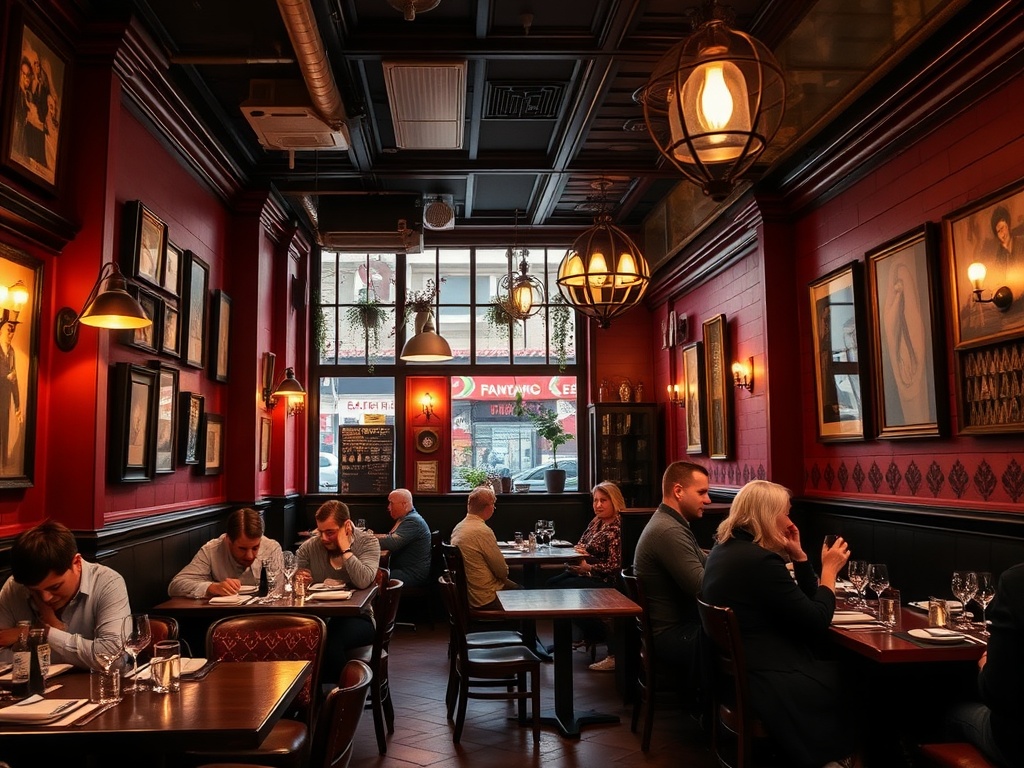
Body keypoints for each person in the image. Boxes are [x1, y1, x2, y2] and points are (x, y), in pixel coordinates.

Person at [701, 479, 853, 768]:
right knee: (862, 677)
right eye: (785, 512)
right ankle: (846, 757)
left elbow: (806, 605)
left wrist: (800, 557)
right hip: (768, 681)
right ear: (768, 516)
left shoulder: (726, 549)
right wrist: (830, 572)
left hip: (737, 676)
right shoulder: (760, 562)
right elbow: (816, 621)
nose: (790, 521)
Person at [0, 520, 130, 670]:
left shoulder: (107, 583)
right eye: (35, 591)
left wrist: (39, 633)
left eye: (55, 587)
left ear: (77, 563)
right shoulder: (15, 587)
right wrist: (84, 656)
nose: (45, 598)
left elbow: (114, 658)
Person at [633, 460, 710, 693]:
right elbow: (702, 587)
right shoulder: (668, 530)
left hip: (673, 630)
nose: (708, 500)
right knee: (746, 637)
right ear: (678, 491)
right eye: (701, 492)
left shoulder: (671, 523)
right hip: (671, 636)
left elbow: (706, 562)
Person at [944, 564, 1024, 767]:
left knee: (938, 708)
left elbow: (997, 694)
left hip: (1016, 744)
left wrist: (984, 667)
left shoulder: (1016, 580)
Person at [296, 499, 380, 681]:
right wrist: (299, 580)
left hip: (358, 617)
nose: (324, 538)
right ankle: (312, 694)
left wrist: (346, 549)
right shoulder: (308, 549)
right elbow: (295, 585)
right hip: (318, 616)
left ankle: (341, 694)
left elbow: (363, 581)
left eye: (330, 532)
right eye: (320, 532)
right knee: (299, 639)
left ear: (347, 526)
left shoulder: (368, 543)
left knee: (329, 641)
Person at [546, 480, 623, 671]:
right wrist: (580, 557)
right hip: (585, 573)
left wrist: (588, 567)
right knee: (550, 585)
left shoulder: (618, 527)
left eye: (603, 500)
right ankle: (573, 638)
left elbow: (615, 566)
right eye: (595, 500)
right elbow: (580, 544)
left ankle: (601, 640)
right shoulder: (596, 522)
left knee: (561, 591)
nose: (598, 505)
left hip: (606, 580)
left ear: (614, 501)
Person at [167, 507, 283, 598]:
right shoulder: (211, 550)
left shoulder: (271, 548)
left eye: (255, 548)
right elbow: (175, 585)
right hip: (221, 615)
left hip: (262, 614)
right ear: (228, 540)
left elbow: (280, 591)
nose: (249, 556)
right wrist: (211, 588)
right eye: (242, 549)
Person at [450, 486, 518, 610]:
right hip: (486, 598)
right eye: (493, 505)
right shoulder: (482, 531)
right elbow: (502, 571)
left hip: (467, 595)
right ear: (488, 507)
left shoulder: (458, 527)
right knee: (525, 594)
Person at [375, 488, 431, 589]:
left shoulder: (413, 521)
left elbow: (392, 542)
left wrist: (366, 539)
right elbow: (390, 538)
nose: (388, 507)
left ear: (404, 504)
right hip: (404, 570)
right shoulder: (407, 518)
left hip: (411, 574)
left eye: (391, 503)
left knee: (370, 576)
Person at [0, 322, 21, 473]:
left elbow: (14, 378)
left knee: (4, 430)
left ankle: (3, 465)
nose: (11, 334)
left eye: (13, 332)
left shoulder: (12, 351)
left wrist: (18, 405)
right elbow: (8, 375)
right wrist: (5, 376)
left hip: (5, 399)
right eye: (8, 331)